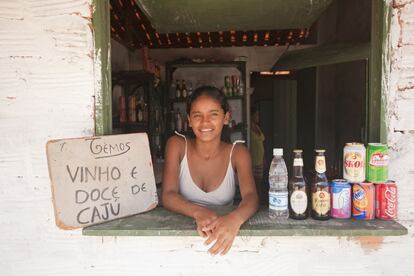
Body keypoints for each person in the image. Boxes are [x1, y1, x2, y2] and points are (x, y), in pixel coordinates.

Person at [162, 86, 259, 255]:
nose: (205, 122)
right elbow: (168, 195)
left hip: (223, 241)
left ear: (226, 117)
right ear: (189, 120)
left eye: (213, 114)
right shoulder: (176, 145)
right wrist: (199, 212)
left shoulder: (238, 153)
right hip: (177, 246)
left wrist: (235, 220)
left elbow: (251, 197)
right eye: (197, 115)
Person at [249, 106, 266, 205]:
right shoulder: (249, 129)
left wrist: (264, 158)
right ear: (252, 115)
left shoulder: (257, 127)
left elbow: (262, 144)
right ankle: (254, 204)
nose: (258, 117)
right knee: (253, 184)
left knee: (259, 183)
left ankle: (258, 203)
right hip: (252, 160)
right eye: (257, 114)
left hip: (260, 159)